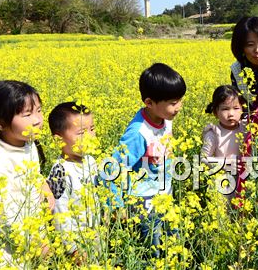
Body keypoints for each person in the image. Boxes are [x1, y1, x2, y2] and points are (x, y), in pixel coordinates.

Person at [101, 63, 186, 258]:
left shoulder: (166, 118)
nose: (179, 107)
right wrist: (114, 203)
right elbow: (112, 167)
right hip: (143, 199)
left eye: (180, 100)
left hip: (164, 192)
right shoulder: (138, 133)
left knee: (173, 239)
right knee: (153, 247)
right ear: (149, 103)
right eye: (173, 103)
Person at [0, 80, 55, 267]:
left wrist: (44, 186)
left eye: (39, 110)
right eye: (27, 114)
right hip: (2, 253)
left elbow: (33, 172)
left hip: (32, 238)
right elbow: (6, 219)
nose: (37, 119)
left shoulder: (27, 143)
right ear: (0, 124)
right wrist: (41, 248)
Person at [47, 102, 99, 264]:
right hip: (77, 243)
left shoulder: (90, 160)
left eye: (92, 129)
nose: (90, 136)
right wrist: (73, 249)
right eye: (81, 132)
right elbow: (59, 214)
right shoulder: (60, 171)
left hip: (96, 232)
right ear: (59, 140)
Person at [201, 85, 247, 199]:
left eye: (236, 108)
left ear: (243, 109)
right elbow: (203, 159)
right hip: (221, 183)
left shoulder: (246, 128)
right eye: (225, 109)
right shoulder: (213, 133)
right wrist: (223, 163)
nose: (231, 114)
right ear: (215, 112)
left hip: (243, 181)